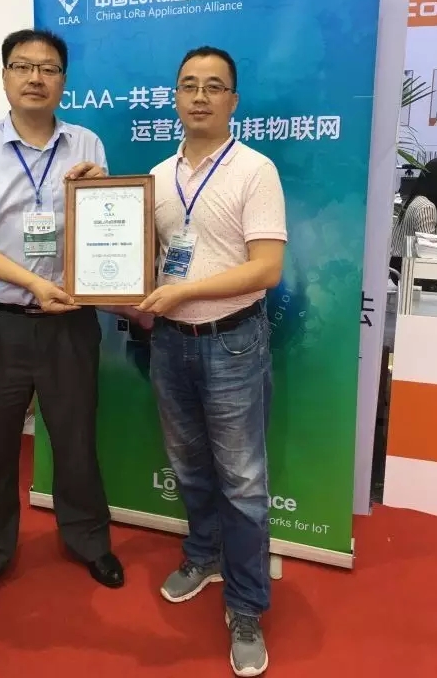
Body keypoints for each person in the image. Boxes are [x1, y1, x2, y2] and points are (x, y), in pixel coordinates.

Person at [0, 29, 124, 617]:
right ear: (5, 77)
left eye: (48, 68)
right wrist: (32, 282)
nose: (35, 77)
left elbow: (106, 225)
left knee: (75, 438)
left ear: (64, 80)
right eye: (22, 66)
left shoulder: (86, 142)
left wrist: (102, 194)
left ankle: (88, 539)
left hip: (70, 321)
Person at [138, 46, 287, 677]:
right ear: (174, 97)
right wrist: (92, 200)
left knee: (244, 483)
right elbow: (142, 258)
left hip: (232, 341)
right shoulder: (155, 176)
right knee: (190, 467)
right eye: (188, 85)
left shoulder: (255, 170)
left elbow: (267, 268)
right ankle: (203, 554)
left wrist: (185, 291)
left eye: (214, 86)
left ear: (233, 101)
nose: (199, 96)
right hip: (169, 343)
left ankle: (247, 605)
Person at [390, 157, 437, 287]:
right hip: (408, 271)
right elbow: (429, 250)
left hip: (399, 266)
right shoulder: (427, 207)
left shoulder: (416, 199)